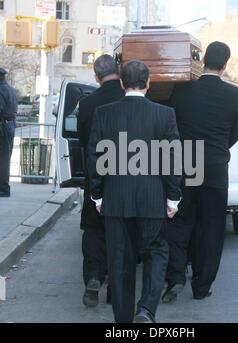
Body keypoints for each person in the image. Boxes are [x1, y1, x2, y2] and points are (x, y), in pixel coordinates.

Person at [88, 60, 182, 323]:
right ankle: (146, 309)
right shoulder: (165, 115)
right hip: (153, 200)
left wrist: (98, 195)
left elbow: (95, 159)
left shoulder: (104, 113)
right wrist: (173, 197)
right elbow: (173, 160)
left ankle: (123, 322)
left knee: (119, 262)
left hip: (116, 200)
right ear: (148, 83)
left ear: (121, 83)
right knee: (157, 252)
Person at [162, 41, 238, 303]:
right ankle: (201, 285)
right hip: (216, 169)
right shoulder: (235, 95)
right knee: (211, 228)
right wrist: (217, 149)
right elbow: (234, 132)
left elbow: (172, 126)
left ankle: (175, 278)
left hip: (187, 164)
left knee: (180, 222)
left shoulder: (183, 91)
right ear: (225, 65)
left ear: (203, 61)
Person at [77, 55, 124, 307]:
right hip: (128, 177)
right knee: (120, 234)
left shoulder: (87, 104)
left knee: (94, 229)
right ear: (119, 70)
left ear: (96, 77)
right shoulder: (130, 99)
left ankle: (94, 276)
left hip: (96, 175)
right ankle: (116, 290)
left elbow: (85, 142)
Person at [0, 68, 17, 198]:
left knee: (3, 159)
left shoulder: (1, 90)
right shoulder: (10, 89)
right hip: (10, 123)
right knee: (5, 158)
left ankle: (4, 189)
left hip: (3, 126)